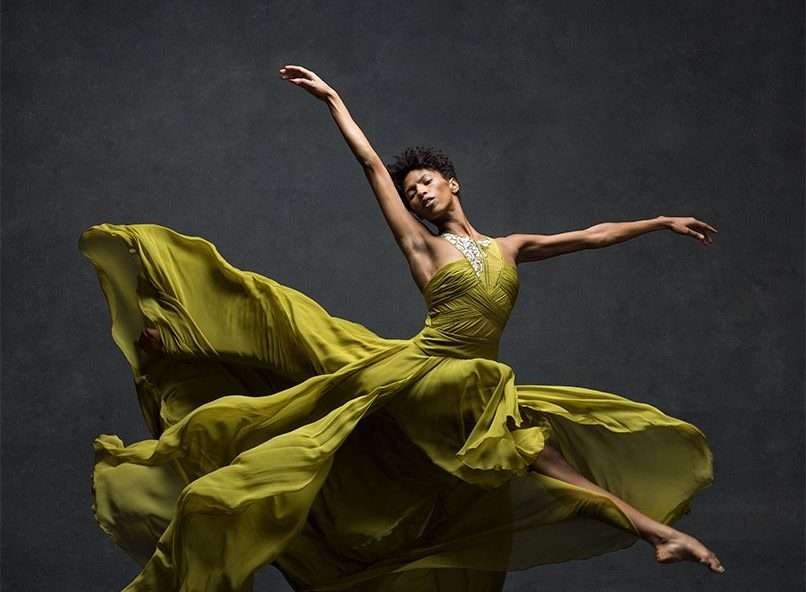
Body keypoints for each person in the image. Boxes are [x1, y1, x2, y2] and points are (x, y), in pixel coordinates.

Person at [81, 64, 723, 592]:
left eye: (424, 183)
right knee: (533, 454)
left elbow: (590, 234)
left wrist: (659, 222)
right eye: (409, 189)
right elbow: (369, 168)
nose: (415, 193)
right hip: (432, 374)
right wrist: (334, 101)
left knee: (497, 471)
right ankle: (655, 532)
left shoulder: (507, 247)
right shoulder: (425, 250)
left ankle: (654, 534)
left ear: (452, 183)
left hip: (473, 383)